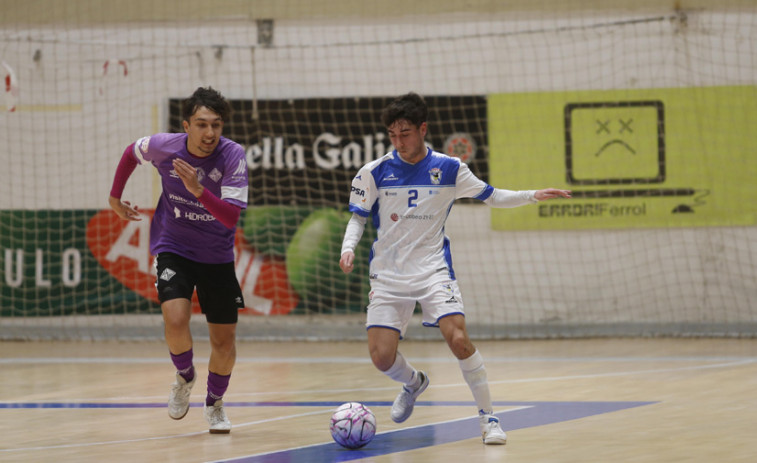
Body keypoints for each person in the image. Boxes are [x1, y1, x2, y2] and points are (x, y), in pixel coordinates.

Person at [339, 92, 571, 445]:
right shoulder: (373, 172)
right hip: (388, 274)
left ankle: (489, 418)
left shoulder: (449, 168)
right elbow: (357, 218)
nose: (399, 141)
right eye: (392, 135)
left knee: (459, 339)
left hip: (433, 270)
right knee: (381, 357)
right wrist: (347, 248)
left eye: (405, 133)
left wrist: (531, 195)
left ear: (422, 129)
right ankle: (414, 383)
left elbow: (490, 195)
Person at [108, 86, 248, 434]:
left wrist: (200, 190)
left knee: (224, 342)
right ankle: (185, 376)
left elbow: (231, 217)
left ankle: (214, 402)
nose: (210, 133)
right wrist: (115, 198)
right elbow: (130, 153)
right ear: (186, 125)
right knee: (174, 318)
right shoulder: (164, 146)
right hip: (174, 247)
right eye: (201, 124)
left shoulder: (232, 155)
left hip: (216, 256)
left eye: (216, 125)